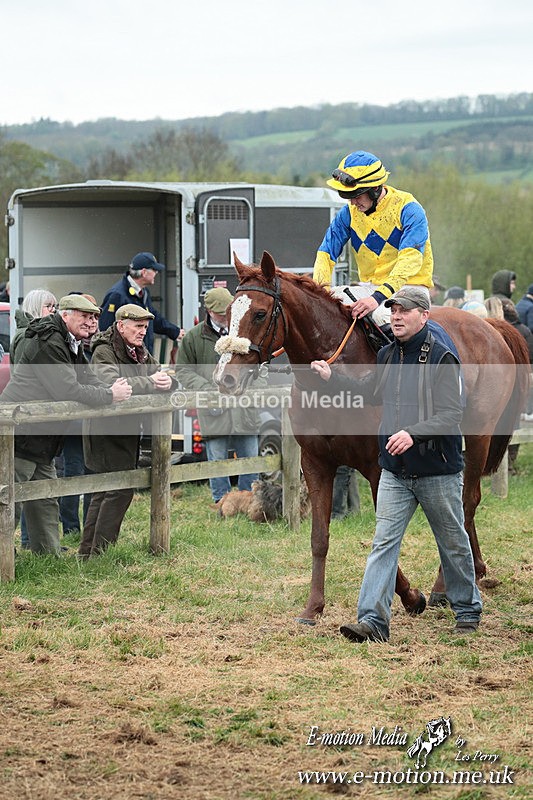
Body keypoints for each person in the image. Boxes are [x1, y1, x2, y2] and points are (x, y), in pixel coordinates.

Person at [311, 286, 482, 641]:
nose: (396, 316)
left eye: (404, 310)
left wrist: (413, 434)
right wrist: (333, 378)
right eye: (393, 310)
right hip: (394, 470)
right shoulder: (388, 353)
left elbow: (452, 414)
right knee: (384, 543)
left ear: (424, 315)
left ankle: (467, 610)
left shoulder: (442, 356)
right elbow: (372, 391)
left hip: (437, 468)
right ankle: (372, 621)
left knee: (451, 540)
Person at [0, 294, 132, 554]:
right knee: (7, 500)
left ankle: (47, 557)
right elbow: (66, 388)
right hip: (19, 434)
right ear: (65, 315)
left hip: (41, 438)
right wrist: (109, 395)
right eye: (84, 316)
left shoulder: (68, 341)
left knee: (45, 499)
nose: (90, 322)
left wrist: (109, 388)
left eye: (94, 317)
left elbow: (86, 376)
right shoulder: (49, 340)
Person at [79, 304, 172, 557]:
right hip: (106, 431)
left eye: (145, 327)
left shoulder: (138, 350)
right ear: (121, 325)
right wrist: (152, 382)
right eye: (138, 326)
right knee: (119, 490)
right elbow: (112, 382)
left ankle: (89, 554)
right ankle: (99, 553)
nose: (143, 332)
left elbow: (157, 372)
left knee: (106, 491)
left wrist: (167, 380)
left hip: (126, 430)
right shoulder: (104, 349)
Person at [313, 150, 433, 327]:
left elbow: (410, 260)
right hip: (369, 288)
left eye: (357, 196)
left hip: (409, 289)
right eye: (348, 197)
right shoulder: (348, 213)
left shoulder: (409, 209)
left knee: (383, 317)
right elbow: (325, 253)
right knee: (321, 310)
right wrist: (320, 293)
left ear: (375, 189)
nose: (353, 203)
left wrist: (377, 297)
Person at [175, 287, 261, 503]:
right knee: (216, 461)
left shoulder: (244, 332)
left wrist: (251, 386)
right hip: (213, 410)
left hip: (244, 408)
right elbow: (183, 370)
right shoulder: (194, 337)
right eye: (221, 313)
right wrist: (207, 388)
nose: (226, 317)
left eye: (228, 311)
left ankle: (249, 501)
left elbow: (262, 365)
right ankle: (221, 504)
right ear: (209, 311)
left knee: (250, 458)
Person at [9, 288, 58, 549]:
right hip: (25, 426)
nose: (54, 310)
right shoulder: (26, 338)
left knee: (43, 495)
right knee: (13, 496)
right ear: (37, 306)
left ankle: (46, 551)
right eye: (49, 306)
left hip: (38, 431)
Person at [98, 252, 184, 354]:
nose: (156, 273)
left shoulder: (143, 292)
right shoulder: (117, 295)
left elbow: (152, 318)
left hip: (142, 357)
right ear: (144, 272)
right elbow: (106, 329)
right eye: (154, 270)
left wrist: (174, 331)